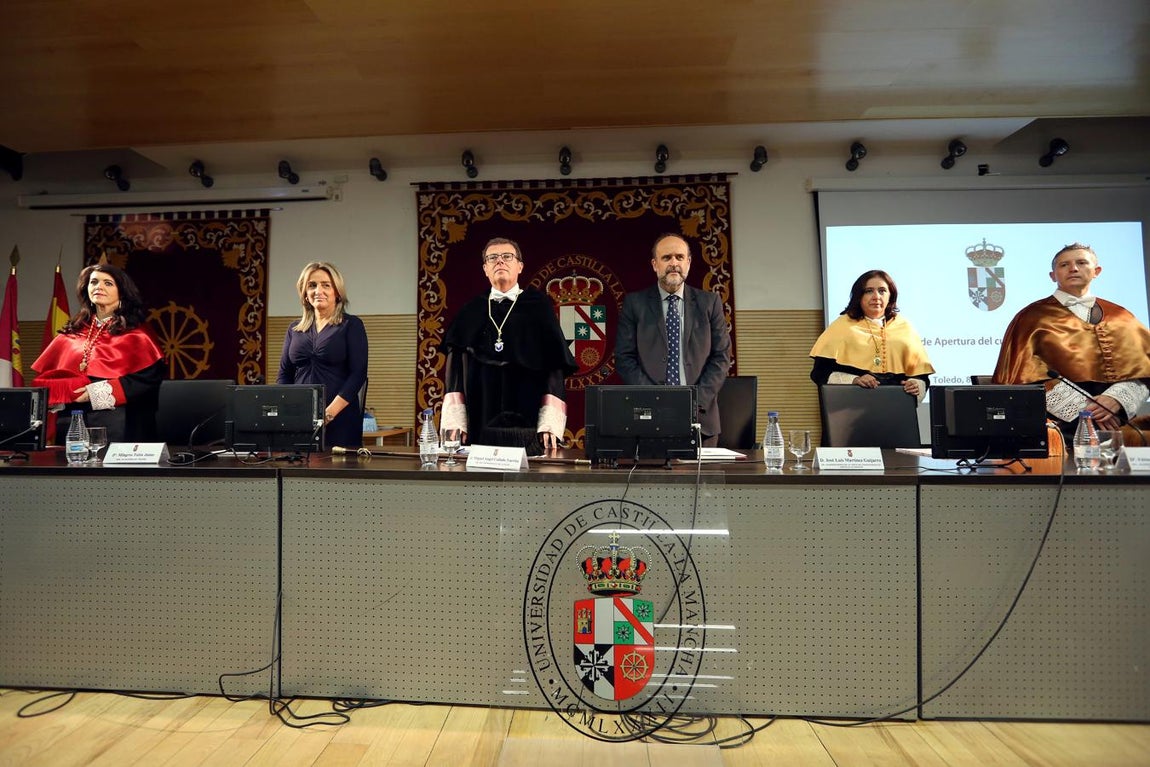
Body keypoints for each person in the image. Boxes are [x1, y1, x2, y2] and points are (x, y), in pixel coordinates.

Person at [993, 243, 1150, 434]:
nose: (1073, 268)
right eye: (1064, 265)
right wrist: (1085, 412)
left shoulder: (1122, 317)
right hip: (1057, 430)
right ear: (1053, 275)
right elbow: (1021, 378)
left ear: (1096, 271)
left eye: (1082, 262)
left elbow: (1144, 373)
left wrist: (1116, 400)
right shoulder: (1031, 317)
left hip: (1119, 426)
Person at [441, 237, 576, 453]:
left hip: (527, 424)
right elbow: (454, 367)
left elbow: (554, 366)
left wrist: (549, 422)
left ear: (520, 266)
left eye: (507, 257)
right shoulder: (471, 310)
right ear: (485, 268)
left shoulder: (538, 307)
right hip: (480, 418)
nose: (500, 262)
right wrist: (455, 420)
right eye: (492, 258)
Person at [615, 233, 732, 446]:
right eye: (667, 258)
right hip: (648, 419)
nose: (674, 263)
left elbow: (721, 357)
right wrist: (656, 400)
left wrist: (694, 402)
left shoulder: (710, 303)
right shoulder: (635, 304)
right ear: (655, 264)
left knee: (703, 481)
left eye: (679, 257)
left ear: (688, 262)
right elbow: (625, 359)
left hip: (701, 420)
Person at [32, 263, 164, 443]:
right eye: (93, 282)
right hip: (72, 421)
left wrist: (93, 393)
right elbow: (52, 375)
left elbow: (147, 380)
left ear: (122, 292)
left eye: (108, 283)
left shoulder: (137, 335)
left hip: (121, 422)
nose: (99, 287)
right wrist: (59, 393)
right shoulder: (71, 334)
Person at [277, 262, 369, 449]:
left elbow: (358, 374)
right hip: (299, 421)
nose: (318, 290)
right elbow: (284, 375)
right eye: (312, 285)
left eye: (326, 285)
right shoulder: (294, 329)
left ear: (337, 292)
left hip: (340, 420)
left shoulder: (351, 325)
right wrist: (288, 413)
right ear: (304, 293)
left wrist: (327, 415)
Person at [809, 269, 934, 399]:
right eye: (869, 291)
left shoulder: (905, 327)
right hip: (851, 406)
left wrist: (915, 385)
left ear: (890, 295)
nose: (876, 297)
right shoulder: (841, 326)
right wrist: (855, 380)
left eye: (882, 291)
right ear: (859, 296)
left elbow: (921, 376)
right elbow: (819, 373)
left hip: (896, 406)